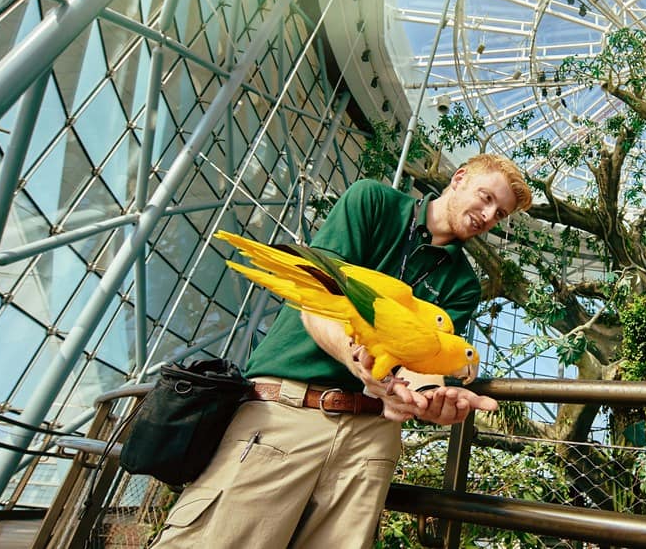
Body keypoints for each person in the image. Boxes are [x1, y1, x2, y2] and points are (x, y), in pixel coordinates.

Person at [151, 153, 533, 548]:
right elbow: (315, 295)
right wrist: (357, 359)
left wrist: (427, 398)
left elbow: (423, 365)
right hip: (288, 410)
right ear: (459, 178)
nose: (488, 216)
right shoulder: (374, 203)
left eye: (500, 214)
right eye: (486, 197)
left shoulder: (464, 283)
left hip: (371, 437)